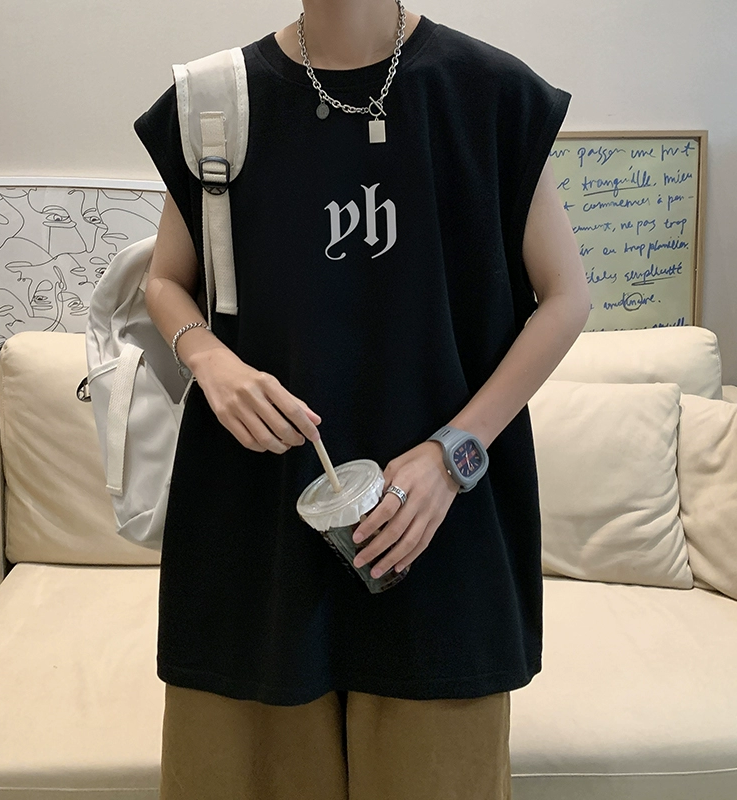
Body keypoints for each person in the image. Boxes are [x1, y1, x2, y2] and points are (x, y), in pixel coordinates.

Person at [134, 1, 589, 797]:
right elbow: (165, 280)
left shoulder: (489, 93)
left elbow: (567, 298)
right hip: (255, 526)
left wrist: (453, 454)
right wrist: (208, 358)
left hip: (436, 534)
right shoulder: (216, 99)